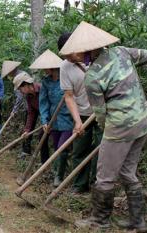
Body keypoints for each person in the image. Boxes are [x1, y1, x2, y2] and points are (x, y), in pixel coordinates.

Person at [60, 21, 147, 231]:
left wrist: (110, 133)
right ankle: (138, 222)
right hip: (142, 121)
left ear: (87, 50)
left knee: (105, 176)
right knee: (127, 172)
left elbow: (100, 115)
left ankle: (99, 221)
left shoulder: (92, 76)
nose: (74, 57)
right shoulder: (122, 52)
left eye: (76, 52)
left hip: (120, 127)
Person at [58, 32, 103, 193]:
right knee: (79, 150)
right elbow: (69, 96)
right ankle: (79, 185)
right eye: (65, 55)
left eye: (70, 53)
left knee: (102, 150)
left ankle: (99, 185)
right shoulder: (65, 67)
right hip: (82, 114)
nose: (69, 57)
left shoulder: (97, 57)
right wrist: (77, 121)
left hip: (102, 113)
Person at [29, 50, 74, 186]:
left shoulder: (66, 78)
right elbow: (43, 103)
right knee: (56, 147)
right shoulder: (46, 82)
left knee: (62, 147)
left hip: (68, 119)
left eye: (45, 69)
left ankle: (59, 177)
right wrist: (44, 120)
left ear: (51, 68)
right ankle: (58, 171)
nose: (44, 71)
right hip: (53, 121)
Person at [1, 61, 29, 159]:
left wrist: (14, 110)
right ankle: (26, 150)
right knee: (28, 128)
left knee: (27, 129)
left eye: (8, 73)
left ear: (12, 70)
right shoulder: (23, 73)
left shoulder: (19, 78)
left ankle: (26, 151)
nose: (8, 75)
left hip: (29, 107)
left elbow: (20, 97)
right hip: (29, 106)